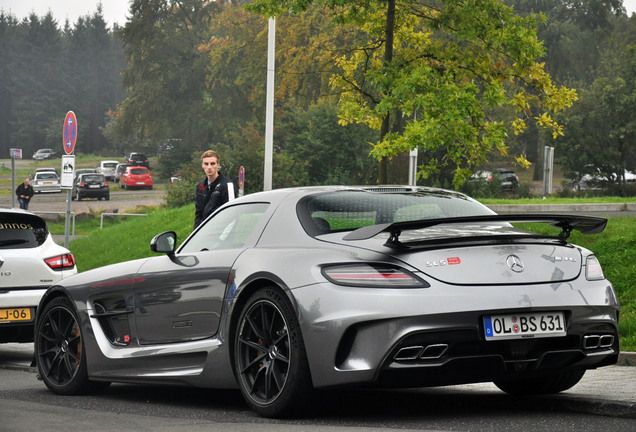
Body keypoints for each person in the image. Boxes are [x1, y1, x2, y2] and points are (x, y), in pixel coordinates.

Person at [194, 150, 235, 230]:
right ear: (202, 165)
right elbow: (198, 214)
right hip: (204, 233)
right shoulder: (200, 186)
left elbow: (232, 215)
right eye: (206, 164)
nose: (209, 167)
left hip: (221, 233)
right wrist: (195, 235)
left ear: (218, 165)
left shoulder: (228, 185)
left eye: (212, 163)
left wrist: (221, 240)